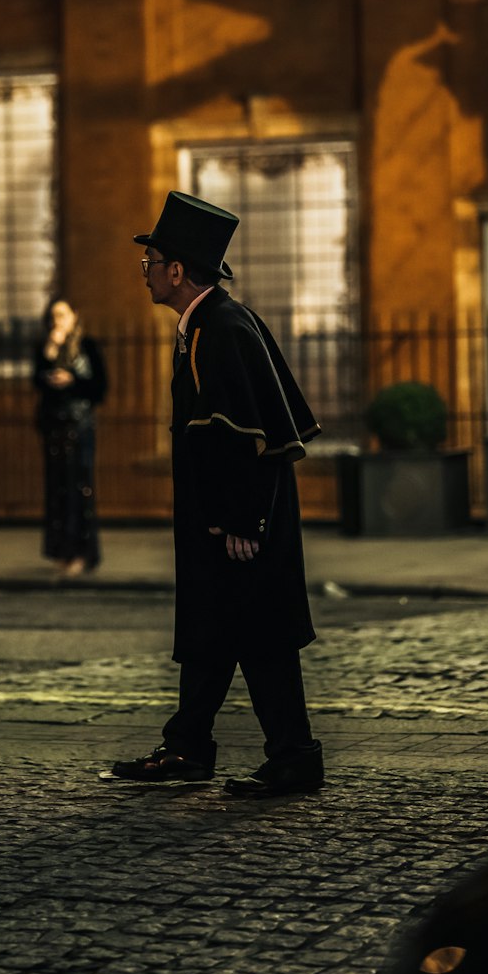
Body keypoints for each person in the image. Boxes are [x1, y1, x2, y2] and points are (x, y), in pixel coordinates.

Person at [109, 191, 324, 798]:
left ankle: (293, 756)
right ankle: (188, 747)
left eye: (150, 261)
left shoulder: (218, 329)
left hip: (237, 524)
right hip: (226, 522)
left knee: (260, 638)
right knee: (213, 634)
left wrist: (240, 521)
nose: (145, 272)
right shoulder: (210, 323)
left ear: (177, 271)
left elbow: (237, 434)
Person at [33, 297, 107, 577]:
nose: (57, 321)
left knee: (80, 489)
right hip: (54, 427)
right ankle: (61, 550)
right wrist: (50, 354)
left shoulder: (87, 347)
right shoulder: (45, 347)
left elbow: (99, 387)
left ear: (75, 316)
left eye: (62, 315)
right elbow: (37, 380)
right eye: (53, 316)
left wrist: (73, 379)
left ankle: (83, 552)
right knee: (57, 490)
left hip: (80, 427)